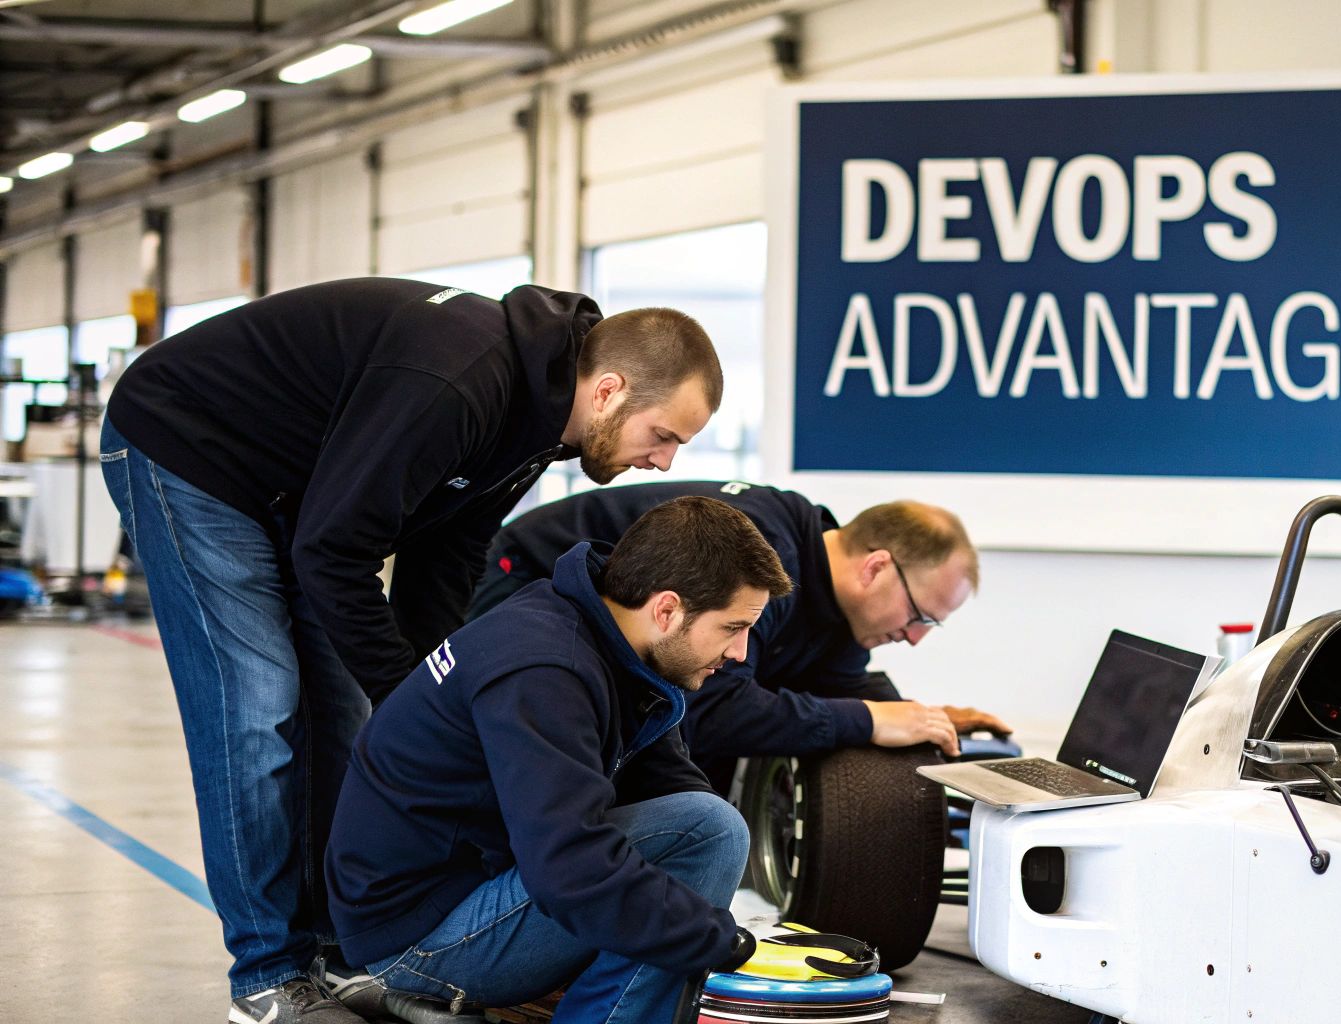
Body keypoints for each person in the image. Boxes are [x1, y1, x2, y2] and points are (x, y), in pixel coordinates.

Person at [98, 278, 721, 1024]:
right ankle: (267, 976)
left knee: (338, 715)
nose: (662, 461)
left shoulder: (539, 420)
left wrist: (434, 693)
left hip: (301, 493)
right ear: (610, 390)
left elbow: (445, 558)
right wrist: (409, 697)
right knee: (258, 709)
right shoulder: (459, 381)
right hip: (188, 449)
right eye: (663, 435)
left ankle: (330, 955)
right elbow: (334, 551)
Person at [326, 496, 795, 1021]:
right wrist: (722, 943)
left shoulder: (596, 632)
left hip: (462, 890)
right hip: (421, 937)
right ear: (666, 609)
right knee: (710, 835)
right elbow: (568, 868)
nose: (740, 654)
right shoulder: (547, 670)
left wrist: (712, 923)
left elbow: (667, 783)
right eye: (733, 627)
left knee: (703, 830)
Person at [468, 481, 1009, 787]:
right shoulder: (765, 556)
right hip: (524, 577)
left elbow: (837, 689)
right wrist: (866, 719)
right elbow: (711, 710)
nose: (915, 638)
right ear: (876, 568)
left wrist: (926, 722)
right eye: (920, 617)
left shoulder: (842, 612)